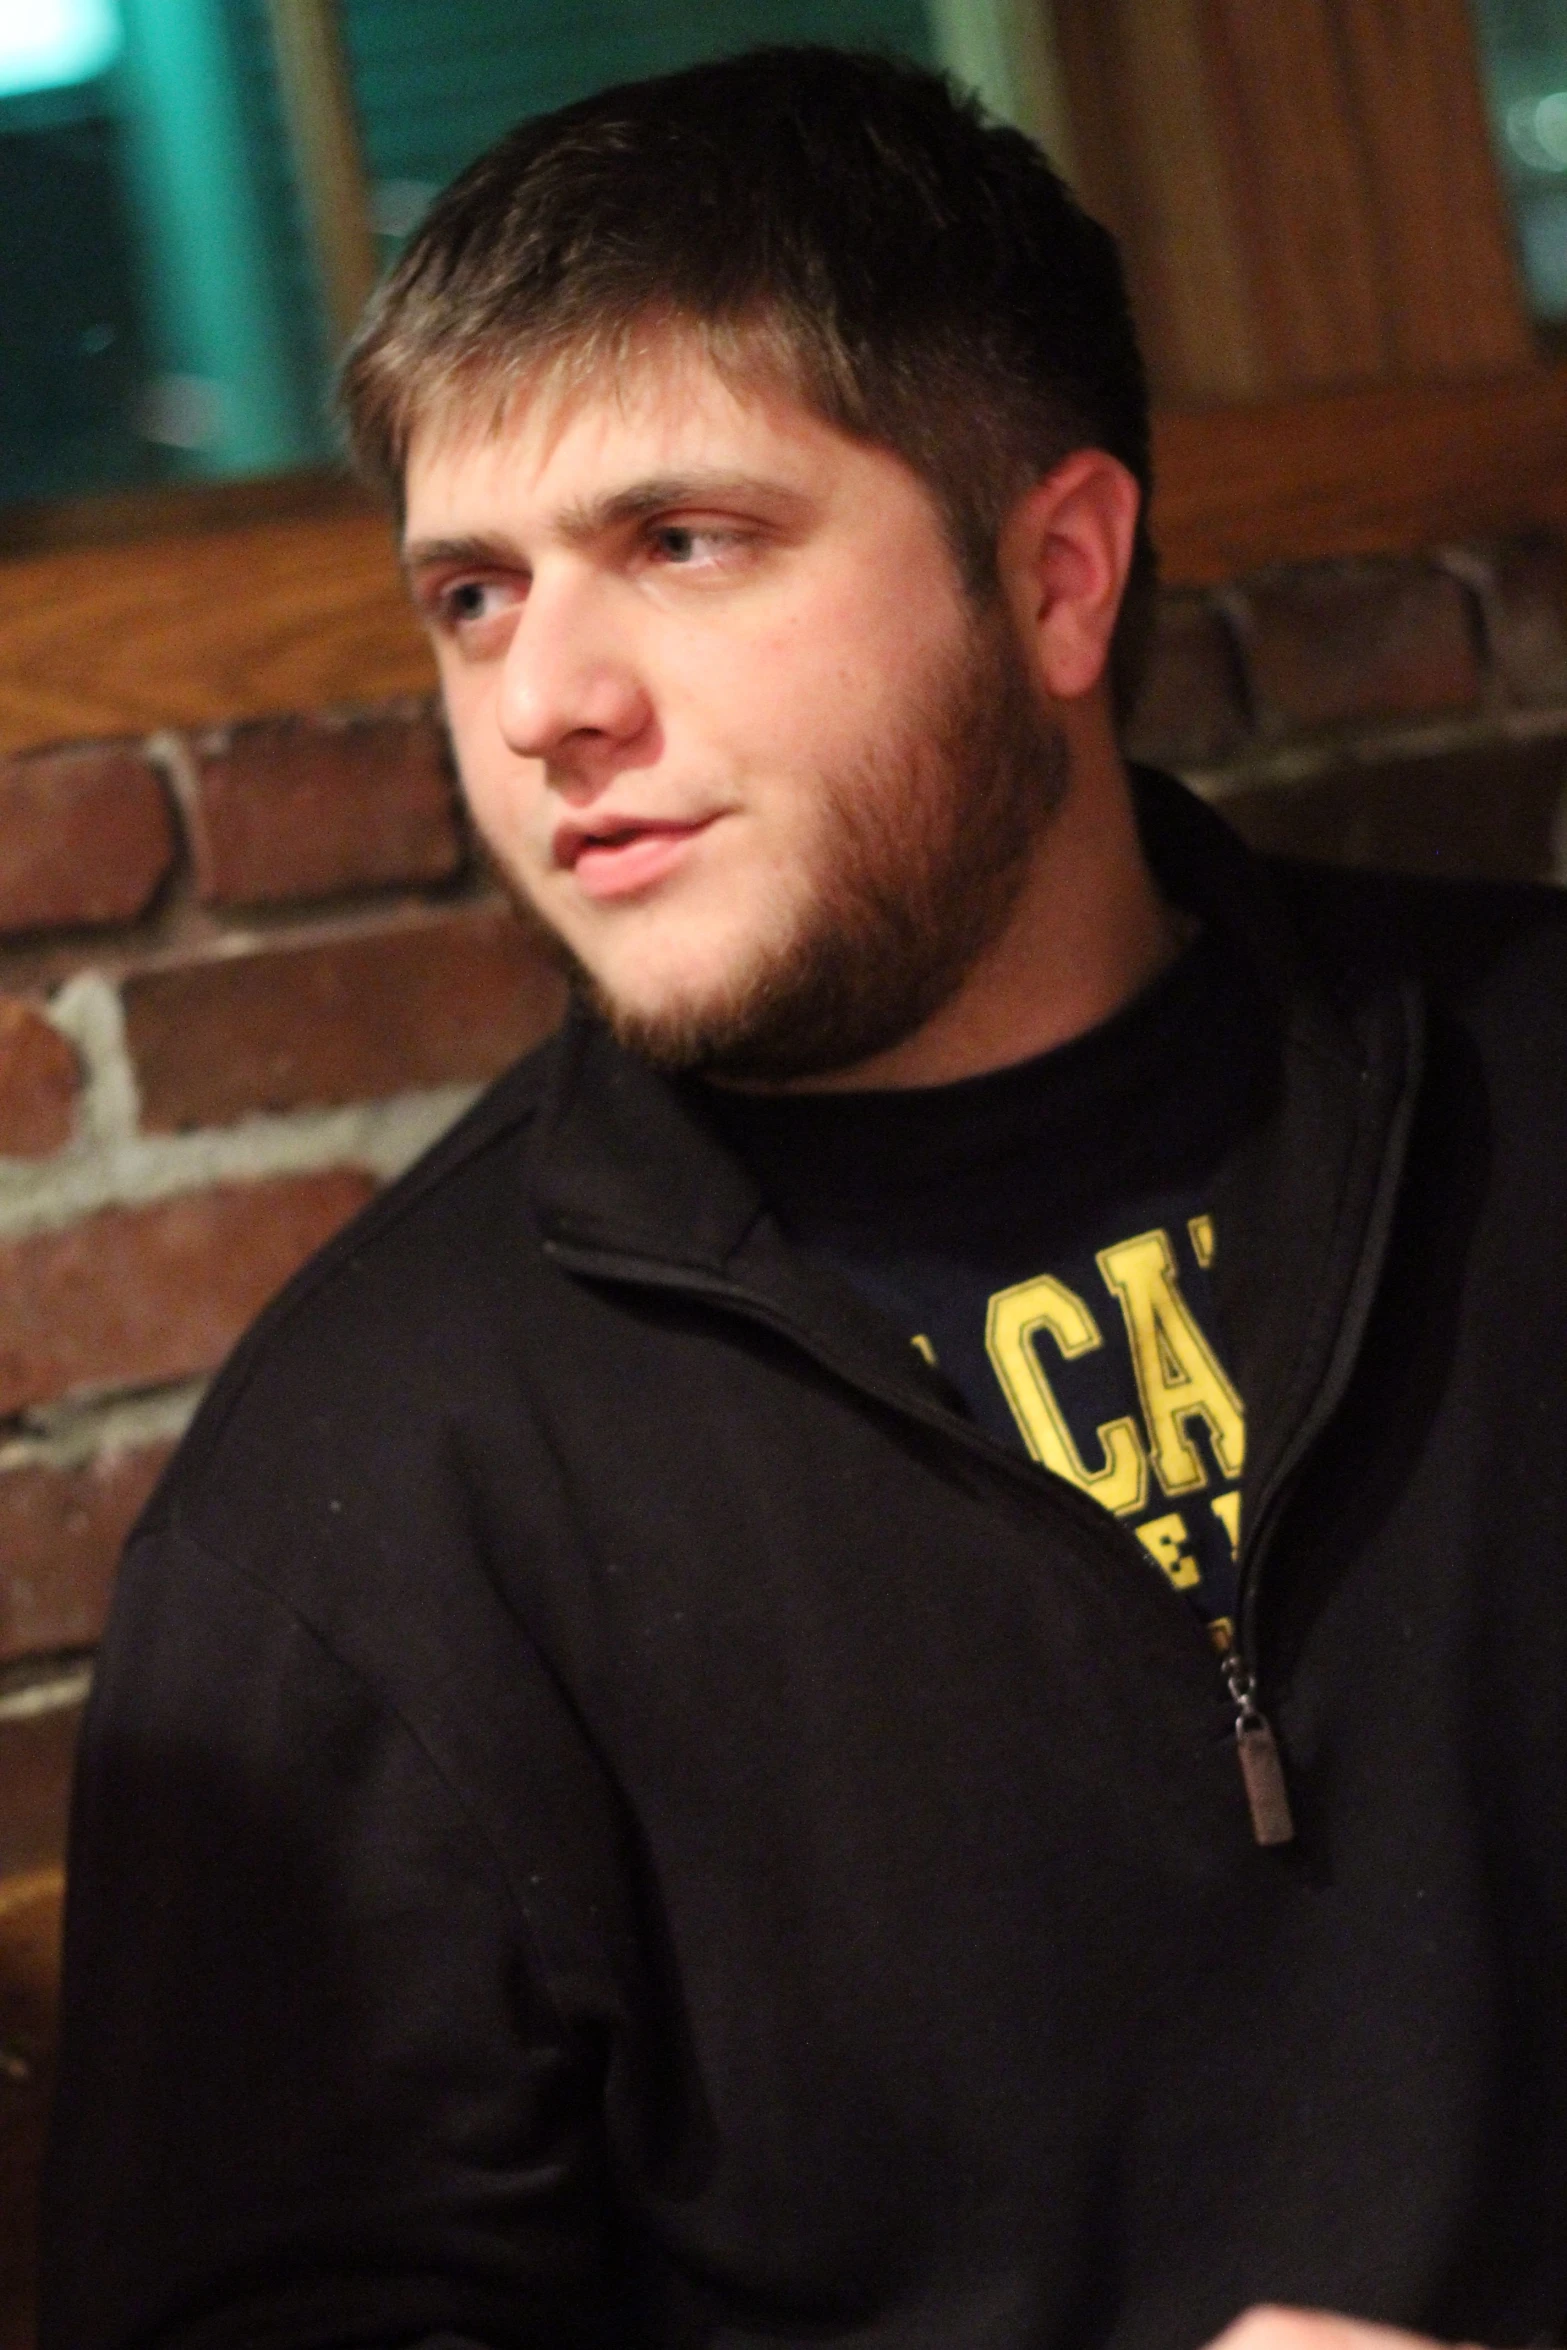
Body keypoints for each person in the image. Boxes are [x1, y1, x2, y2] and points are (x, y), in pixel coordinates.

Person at [41, 45, 1567, 2350]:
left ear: (1057, 573)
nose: (545, 698)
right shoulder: (365, 1495)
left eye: (682, 539)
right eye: (469, 593)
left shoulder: (1533, 1093)